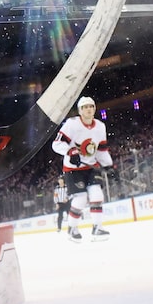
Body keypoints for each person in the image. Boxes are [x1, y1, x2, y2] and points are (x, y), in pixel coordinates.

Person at [51, 96, 114, 241]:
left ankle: (97, 228)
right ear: (80, 110)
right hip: (73, 169)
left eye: (91, 106)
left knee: (97, 195)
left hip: (91, 167)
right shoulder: (71, 124)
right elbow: (56, 144)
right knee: (81, 199)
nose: (89, 109)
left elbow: (101, 150)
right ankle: (72, 229)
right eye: (85, 107)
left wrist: (109, 166)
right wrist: (70, 152)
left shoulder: (100, 126)